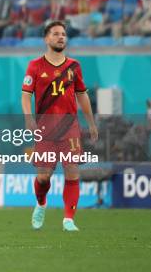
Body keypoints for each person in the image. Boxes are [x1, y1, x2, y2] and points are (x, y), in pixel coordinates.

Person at [21, 21, 98, 232]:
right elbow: (26, 96)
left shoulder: (74, 66)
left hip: (70, 128)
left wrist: (91, 122)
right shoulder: (35, 66)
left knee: (72, 172)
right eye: (55, 34)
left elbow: (82, 95)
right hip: (45, 130)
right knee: (43, 177)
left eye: (63, 34)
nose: (61, 37)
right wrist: (29, 118)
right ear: (47, 39)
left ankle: (68, 220)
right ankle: (41, 203)